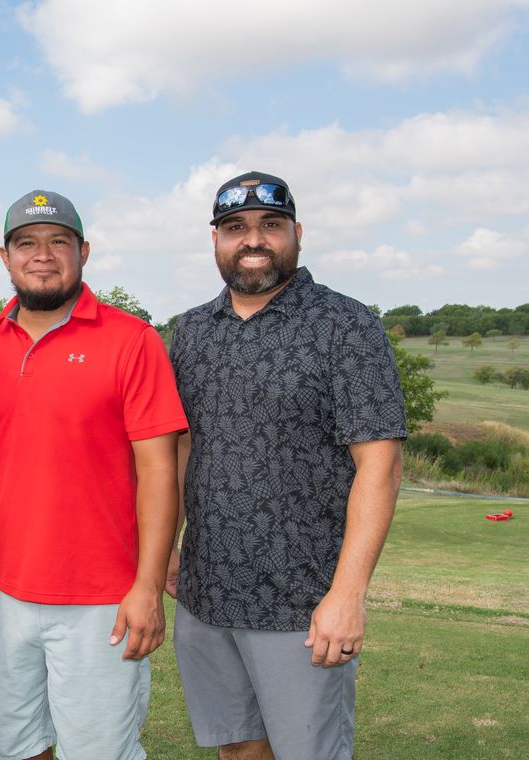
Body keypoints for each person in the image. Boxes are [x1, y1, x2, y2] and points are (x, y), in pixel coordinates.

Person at [167, 171, 406, 760]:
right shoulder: (191, 332)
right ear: (216, 241)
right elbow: (182, 450)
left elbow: (381, 462)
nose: (253, 240)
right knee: (238, 751)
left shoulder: (345, 326)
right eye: (236, 228)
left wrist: (348, 594)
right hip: (206, 594)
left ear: (296, 233)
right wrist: (167, 547)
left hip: (303, 603)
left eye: (270, 226)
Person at [0, 190, 188, 760]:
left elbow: (160, 469)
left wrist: (147, 585)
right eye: (26, 243)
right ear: (5, 256)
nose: (43, 255)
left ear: (83, 251)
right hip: (4, 592)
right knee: (15, 747)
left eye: (58, 241)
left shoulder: (131, 339)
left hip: (103, 601)